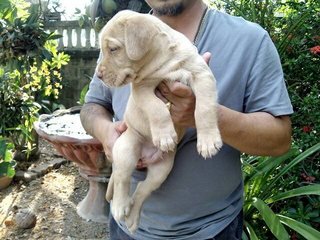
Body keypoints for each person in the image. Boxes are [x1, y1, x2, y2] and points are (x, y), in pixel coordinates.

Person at [80, 0, 293, 239]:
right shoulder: (119, 35)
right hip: (128, 230)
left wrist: (206, 114)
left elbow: (280, 139)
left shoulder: (249, 40)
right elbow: (91, 107)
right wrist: (107, 134)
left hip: (213, 230)